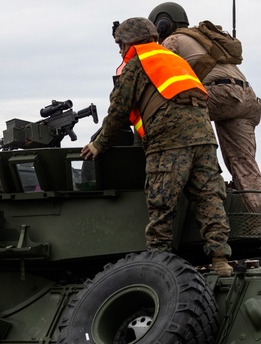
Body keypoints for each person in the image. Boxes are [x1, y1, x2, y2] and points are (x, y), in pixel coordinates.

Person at [81, 17, 233, 277]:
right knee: (209, 199)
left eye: (120, 44)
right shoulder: (173, 58)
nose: (119, 50)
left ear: (130, 41)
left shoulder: (137, 63)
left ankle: (160, 264)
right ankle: (221, 260)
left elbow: (119, 111)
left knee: (162, 202)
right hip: (204, 138)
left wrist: (98, 144)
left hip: (169, 141)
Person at [149, 2, 261, 214]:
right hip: (247, 99)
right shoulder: (199, 39)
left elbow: (157, 76)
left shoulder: (172, 40)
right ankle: (258, 221)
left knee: (174, 116)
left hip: (220, 94)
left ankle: (201, 179)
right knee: (243, 164)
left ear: (162, 24)